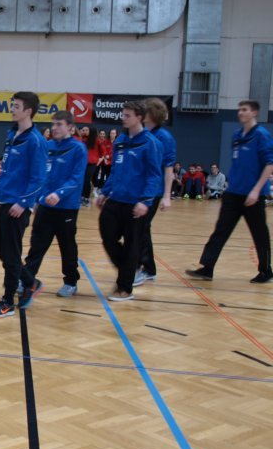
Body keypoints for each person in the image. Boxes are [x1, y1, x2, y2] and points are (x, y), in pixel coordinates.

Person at [186, 100, 273, 284]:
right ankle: (207, 268)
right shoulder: (236, 135)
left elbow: (269, 164)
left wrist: (256, 190)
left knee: (259, 234)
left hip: (253, 195)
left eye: (244, 109)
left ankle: (266, 271)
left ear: (254, 113)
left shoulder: (261, 135)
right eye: (239, 109)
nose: (240, 112)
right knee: (220, 231)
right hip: (233, 193)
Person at [0, 92, 48, 319]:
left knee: (11, 254)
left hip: (17, 204)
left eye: (16, 106)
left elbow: (38, 178)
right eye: (12, 105)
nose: (12, 109)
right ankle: (30, 282)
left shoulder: (36, 141)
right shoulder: (12, 134)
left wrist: (24, 203)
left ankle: (7, 301)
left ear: (28, 111)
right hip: (3, 199)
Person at [95, 101, 163, 302]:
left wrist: (145, 201)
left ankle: (125, 288)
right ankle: (129, 268)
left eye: (127, 115)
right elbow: (116, 170)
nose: (123, 118)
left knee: (132, 244)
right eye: (122, 114)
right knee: (107, 236)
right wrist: (104, 192)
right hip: (116, 199)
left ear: (139, 118)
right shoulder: (121, 140)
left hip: (136, 203)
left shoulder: (151, 143)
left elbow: (154, 176)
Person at [22, 110, 87, 297]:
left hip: (66, 208)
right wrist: (36, 199)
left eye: (59, 124)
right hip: (45, 206)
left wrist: (59, 193)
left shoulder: (78, 149)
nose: (54, 128)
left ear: (70, 127)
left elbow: (76, 178)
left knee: (67, 247)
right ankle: (27, 279)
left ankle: (71, 282)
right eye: (53, 124)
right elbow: (40, 175)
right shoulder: (47, 146)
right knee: (37, 245)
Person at [133, 97, 177, 288]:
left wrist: (166, 196)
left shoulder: (164, 137)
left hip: (154, 191)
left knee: (140, 228)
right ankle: (149, 269)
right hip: (138, 189)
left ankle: (139, 268)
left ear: (151, 114)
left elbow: (168, 168)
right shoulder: (140, 134)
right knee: (141, 229)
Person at [80, 126, 98, 206]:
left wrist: (98, 159)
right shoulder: (83, 140)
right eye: (84, 130)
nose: (85, 131)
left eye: (87, 130)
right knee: (83, 180)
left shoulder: (96, 141)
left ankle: (86, 198)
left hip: (92, 164)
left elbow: (102, 151)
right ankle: (82, 197)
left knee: (87, 180)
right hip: (84, 163)